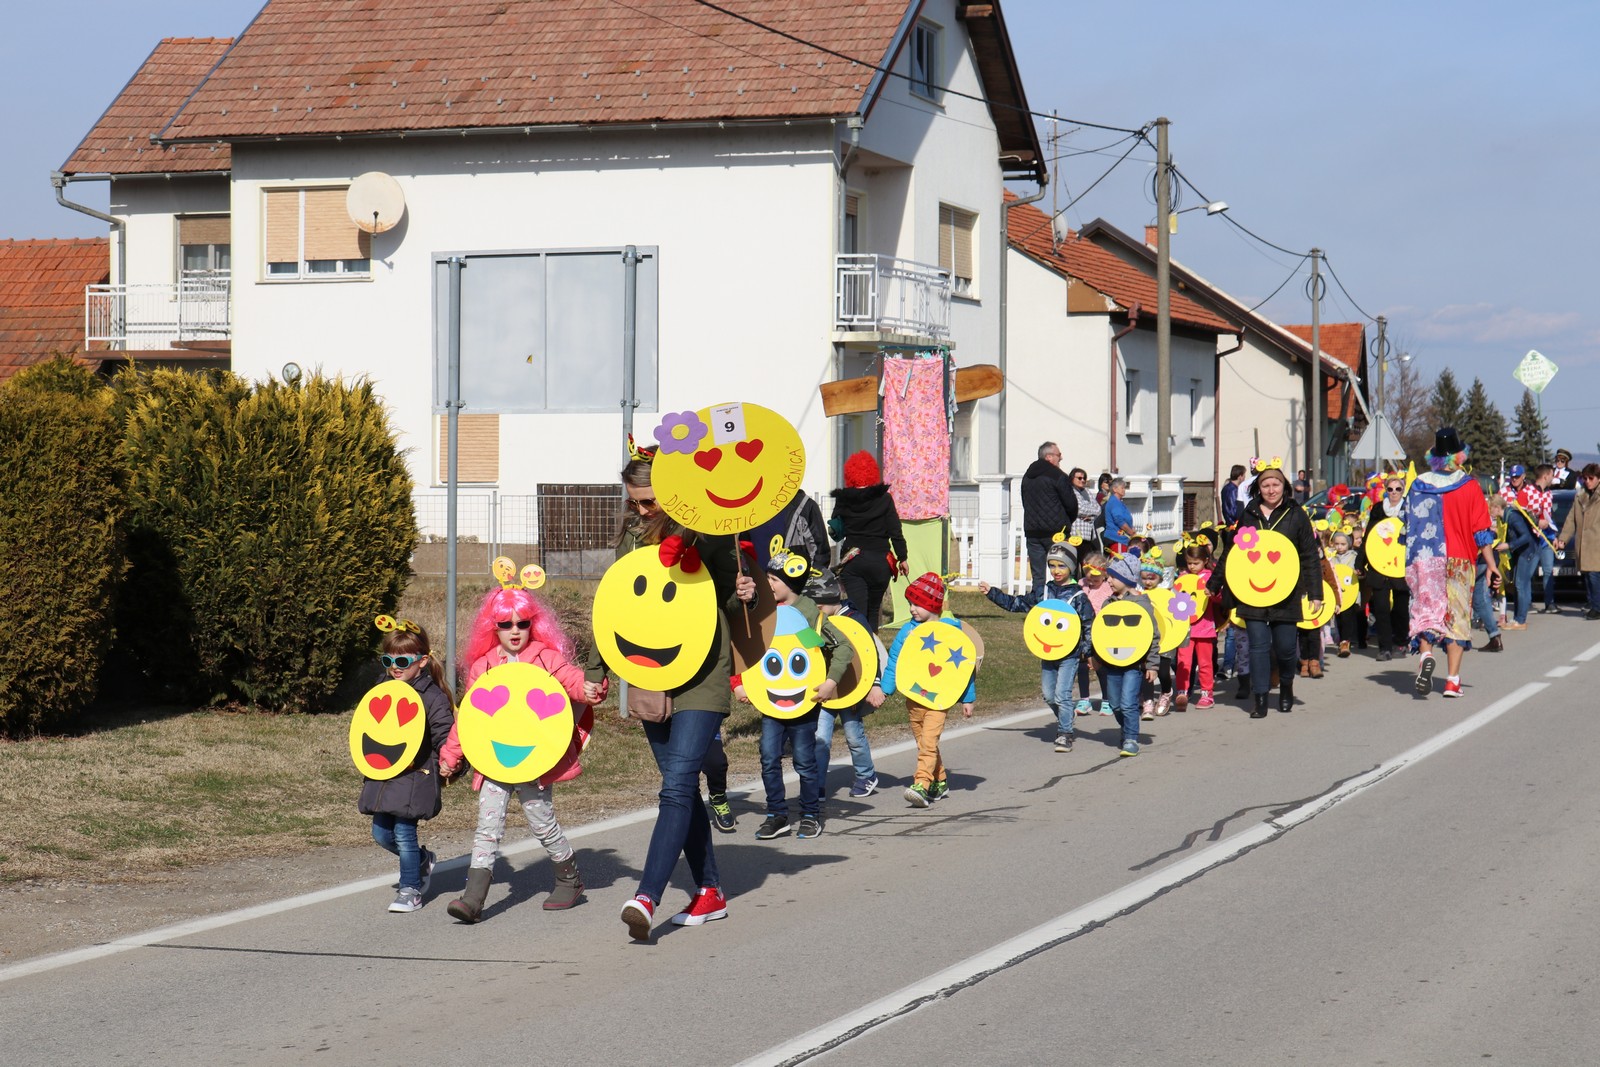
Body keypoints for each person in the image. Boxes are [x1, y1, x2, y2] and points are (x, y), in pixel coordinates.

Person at [593, 454, 758, 942]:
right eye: (633, 502)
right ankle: (710, 889)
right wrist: (600, 670)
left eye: (647, 501)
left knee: (677, 784)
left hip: (704, 676)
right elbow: (620, 608)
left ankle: (647, 896)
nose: (641, 511)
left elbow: (732, 598)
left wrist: (744, 592)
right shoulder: (629, 539)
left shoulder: (709, 531)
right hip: (650, 674)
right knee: (680, 788)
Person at [439, 578, 598, 923]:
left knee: (541, 821)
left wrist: (588, 688)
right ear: (492, 628)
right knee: (487, 826)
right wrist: (452, 755)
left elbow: (571, 679)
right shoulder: (483, 667)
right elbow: (471, 717)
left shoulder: (546, 657)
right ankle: (473, 897)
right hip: (493, 759)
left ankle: (569, 879)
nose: (514, 631)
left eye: (522, 623)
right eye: (505, 624)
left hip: (535, 759)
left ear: (533, 624)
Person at [737, 545, 855, 840]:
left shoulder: (808, 617)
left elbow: (841, 647)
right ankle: (777, 814)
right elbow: (749, 647)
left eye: (773, 581)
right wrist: (741, 681)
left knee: (804, 759)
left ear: (789, 583)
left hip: (805, 701)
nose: (768, 585)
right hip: (772, 701)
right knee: (768, 756)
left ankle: (810, 814)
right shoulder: (765, 613)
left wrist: (831, 681)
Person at [1207, 462, 1321, 717]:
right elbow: (1232, 553)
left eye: (1276, 484)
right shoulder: (1249, 514)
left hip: (1287, 592)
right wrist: (1214, 583)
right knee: (1257, 646)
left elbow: (1310, 556)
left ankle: (1287, 687)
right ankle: (1259, 699)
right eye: (1265, 485)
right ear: (1258, 488)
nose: (1271, 490)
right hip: (1253, 591)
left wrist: (1315, 593)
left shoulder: (1296, 514)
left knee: (1285, 647)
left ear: (1285, 486)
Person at [360, 618, 455, 914]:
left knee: (403, 831)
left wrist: (450, 762)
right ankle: (423, 860)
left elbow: (446, 733)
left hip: (416, 775)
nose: (395, 667)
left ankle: (411, 888)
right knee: (381, 834)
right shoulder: (383, 688)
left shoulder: (432, 697)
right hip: (385, 774)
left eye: (402, 660)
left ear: (423, 661)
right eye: (388, 660)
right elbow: (369, 725)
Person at [1405, 427, 1502, 697]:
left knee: (1426, 613)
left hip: (1424, 559)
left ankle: (1426, 657)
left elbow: (1408, 524)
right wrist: (1492, 565)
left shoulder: (1418, 485)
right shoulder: (1469, 485)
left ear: (1434, 456)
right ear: (1460, 456)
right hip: (1458, 560)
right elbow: (1481, 531)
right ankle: (1452, 681)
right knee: (1457, 618)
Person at [981, 541, 1096, 752]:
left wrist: (1087, 653)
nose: (1056, 570)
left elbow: (1089, 625)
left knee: (1062, 694)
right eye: (1052, 565)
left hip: (1070, 654)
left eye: (1061, 565)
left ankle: (1065, 733)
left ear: (1071, 566)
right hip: (1048, 651)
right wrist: (992, 593)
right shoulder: (1043, 592)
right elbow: (1017, 604)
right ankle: (1067, 715)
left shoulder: (1079, 597)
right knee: (1049, 695)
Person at [881, 573, 974, 806]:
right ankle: (939, 781)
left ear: (933, 605)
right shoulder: (908, 631)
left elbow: (964, 670)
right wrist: (885, 689)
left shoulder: (951, 632)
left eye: (917, 604)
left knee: (929, 742)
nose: (912, 609)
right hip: (913, 696)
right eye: (910, 603)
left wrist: (967, 699)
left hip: (939, 700)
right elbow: (895, 660)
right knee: (924, 742)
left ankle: (921, 784)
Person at [805, 569, 884, 801]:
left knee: (853, 735)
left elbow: (871, 654)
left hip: (852, 688)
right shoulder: (816, 621)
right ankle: (816, 783)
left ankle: (866, 775)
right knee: (820, 739)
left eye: (818, 606)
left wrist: (874, 685)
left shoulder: (855, 619)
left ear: (830, 599)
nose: (815, 611)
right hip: (826, 690)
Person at [829, 451, 908, 631]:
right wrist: (902, 557)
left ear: (849, 474)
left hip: (854, 560)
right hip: (880, 561)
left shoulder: (843, 499)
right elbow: (895, 531)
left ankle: (861, 653)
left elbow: (836, 531)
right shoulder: (885, 498)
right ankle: (875, 651)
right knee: (874, 609)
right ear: (873, 472)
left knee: (858, 612)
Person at [1101, 556, 1160, 755]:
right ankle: (1126, 727)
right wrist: (1095, 656)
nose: (1108, 581)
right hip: (1112, 663)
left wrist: (1152, 665)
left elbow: (1152, 635)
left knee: (1128, 703)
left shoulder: (1142, 604)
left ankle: (1131, 739)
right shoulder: (1108, 603)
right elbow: (1102, 634)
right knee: (1115, 704)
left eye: (1112, 577)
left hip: (1134, 664)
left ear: (1125, 578)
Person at [1020, 442, 1079, 597]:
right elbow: (1071, 504)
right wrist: (1067, 522)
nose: (1061, 458)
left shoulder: (1027, 476)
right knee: (1064, 570)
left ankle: (1038, 605)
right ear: (1049, 457)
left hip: (1032, 532)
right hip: (1056, 532)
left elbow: (1025, 502)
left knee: (1038, 575)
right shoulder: (1058, 476)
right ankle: (1066, 602)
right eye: (1059, 455)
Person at [1363, 475, 1411, 662]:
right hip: (1379, 566)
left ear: (1402, 491)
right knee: (1381, 608)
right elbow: (1369, 538)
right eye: (1390, 489)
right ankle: (1384, 648)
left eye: (1398, 489)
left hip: (1400, 567)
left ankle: (1401, 642)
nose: (1394, 493)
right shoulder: (1377, 509)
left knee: (1400, 609)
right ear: (1385, 490)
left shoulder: (1408, 510)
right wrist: (1361, 563)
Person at [1173, 542, 1218, 709]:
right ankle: (1182, 692)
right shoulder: (1182, 578)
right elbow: (1175, 600)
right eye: (1189, 563)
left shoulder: (1210, 578)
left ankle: (1207, 693)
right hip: (1185, 627)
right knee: (1183, 662)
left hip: (1205, 628)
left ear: (1205, 561)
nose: (1192, 566)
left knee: (1205, 662)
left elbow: (1220, 599)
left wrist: (1212, 594)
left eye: (1195, 563)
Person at [1554, 462, 1600, 619]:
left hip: (1597, 544)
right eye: (1585, 478)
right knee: (1587, 575)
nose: (1587, 481)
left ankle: (1597, 607)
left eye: (1591, 478)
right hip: (1583, 544)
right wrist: (1563, 539)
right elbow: (1571, 520)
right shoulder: (1580, 497)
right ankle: (1592, 604)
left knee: (1595, 576)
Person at [1138, 558, 1176, 718]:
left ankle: (1166, 692)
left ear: (1159, 578)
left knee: (1163, 672)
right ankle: (1148, 701)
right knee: (1146, 670)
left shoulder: (1168, 594)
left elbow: (1177, 618)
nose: (1147, 581)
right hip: (1146, 639)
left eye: (1151, 578)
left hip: (1166, 640)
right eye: (1144, 577)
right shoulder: (1139, 595)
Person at [1102, 477, 1136, 555]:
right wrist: (1131, 532)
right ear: (1115, 489)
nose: (1124, 490)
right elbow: (1119, 520)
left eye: (1124, 488)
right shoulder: (1114, 502)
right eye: (1122, 488)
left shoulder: (1119, 502)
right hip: (1117, 538)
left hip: (1122, 538)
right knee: (1120, 563)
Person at [1068, 467, 1101, 546]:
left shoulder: (1087, 491)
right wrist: (1092, 510)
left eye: (1084, 478)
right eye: (1079, 478)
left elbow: (1098, 509)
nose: (1082, 480)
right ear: (1072, 478)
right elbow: (1079, 509)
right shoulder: (1070, 491)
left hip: (1089, 534)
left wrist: (1091, 517)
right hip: (1076, 533)